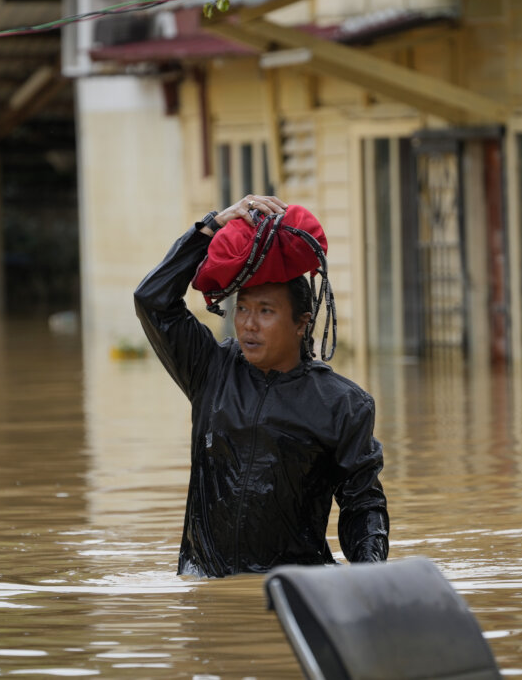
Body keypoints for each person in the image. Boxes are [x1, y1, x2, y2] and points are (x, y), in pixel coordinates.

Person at [134, 194, 389, 577]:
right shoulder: (210, 370)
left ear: (302, 322)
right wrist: (210, 228)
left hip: (293, 589)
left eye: (265, 311)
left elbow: (362, 505)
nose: (248, 324)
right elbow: (152, 300)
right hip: (205, 586)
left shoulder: (343, 405)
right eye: (243, 308)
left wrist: (371, 576)